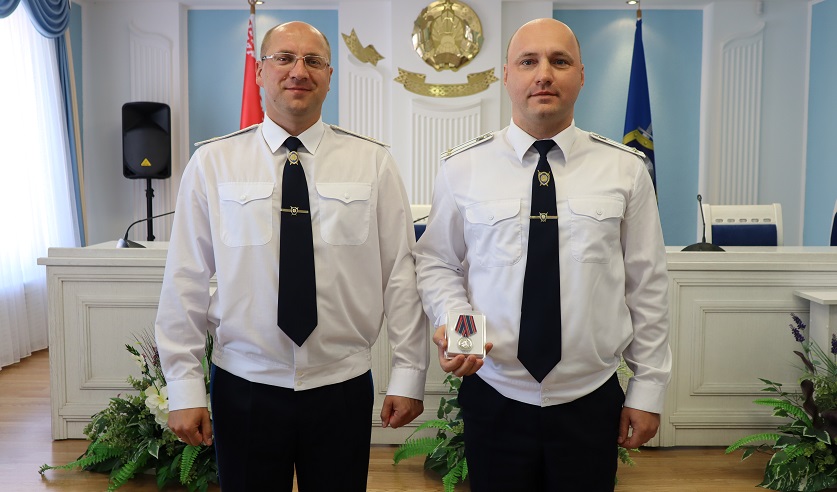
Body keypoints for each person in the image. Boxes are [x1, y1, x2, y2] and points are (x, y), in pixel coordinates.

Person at [155, 21, 428, 491]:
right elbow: (185, 278)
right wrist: (183, 385)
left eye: (313, 61)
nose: (298, 71)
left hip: (341, 382)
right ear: (260, 71)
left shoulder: (373, 163)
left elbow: (400, 275)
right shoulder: (213, 163)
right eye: (284, 58)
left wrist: (409, 374)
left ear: (329, 76)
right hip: (244, 385)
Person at [413, 18, 671, 491]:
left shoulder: (625, 170)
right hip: (494, 393)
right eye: (528, 61)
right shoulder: (463, 168)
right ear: (506, 74)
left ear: (581, 75)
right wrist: (462, 335)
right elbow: (438, 262)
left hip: (589, 397)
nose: (544, 74)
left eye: (560, 61)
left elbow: (647, 284)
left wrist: (648, 387)